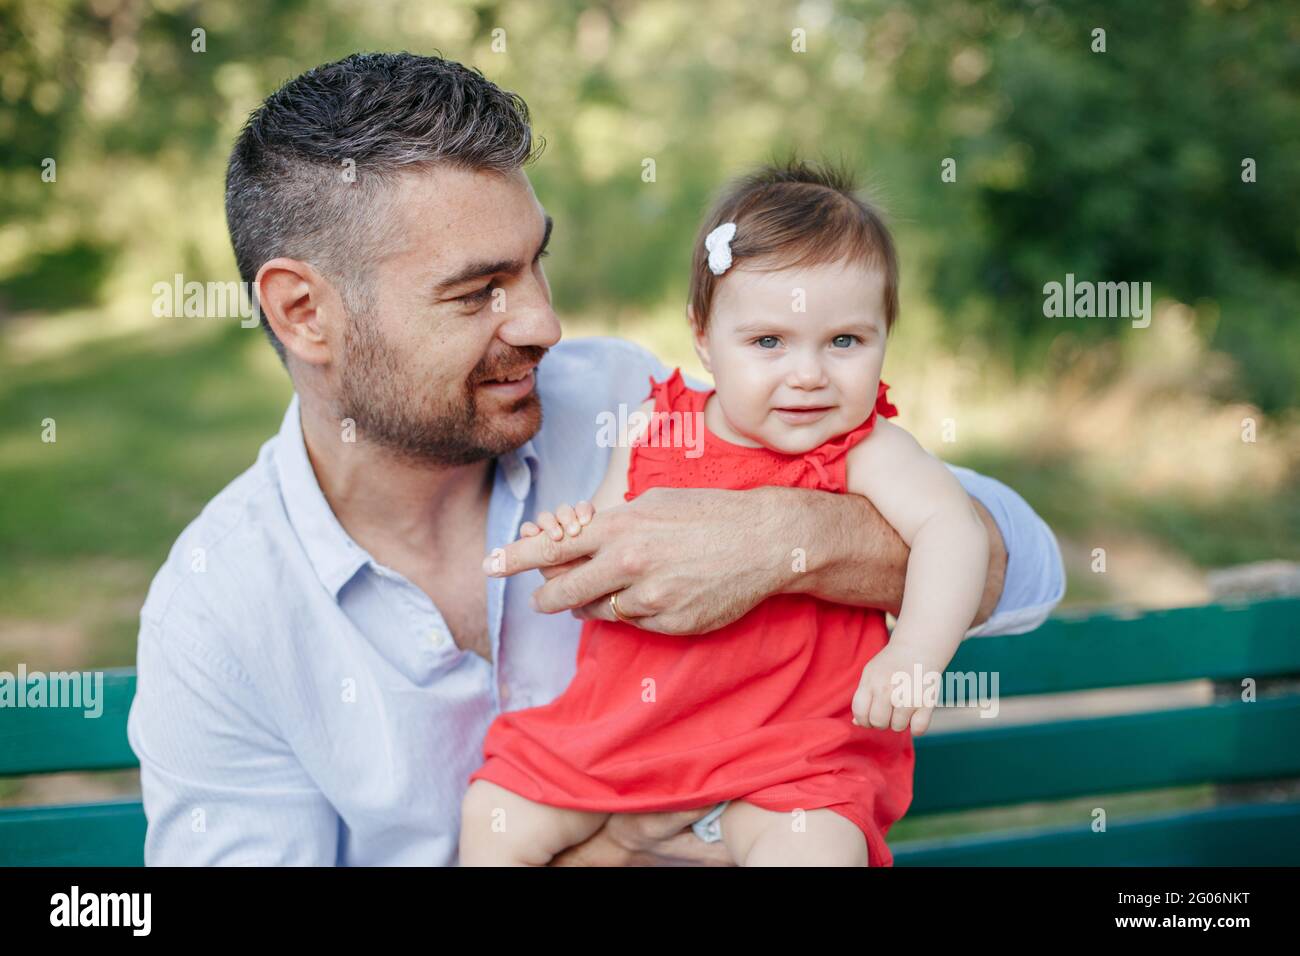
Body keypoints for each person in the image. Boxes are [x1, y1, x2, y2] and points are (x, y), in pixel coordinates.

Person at [127, 53, 1065, 866]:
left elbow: (1023, 564)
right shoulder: (220, 615)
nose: (543, 322)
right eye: (476, 293)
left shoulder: (621, 401)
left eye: (535, 263)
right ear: (304, 313)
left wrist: (790, 538)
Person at [461, 161, 989, 867]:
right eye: (769, 342)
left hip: (792, 757)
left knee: (815, 853)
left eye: (845, 342)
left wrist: (916, 655)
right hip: (625, 740)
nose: (808, 374)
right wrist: (570, 542)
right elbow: (608, 545)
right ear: (705, 337)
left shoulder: (866, 449)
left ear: (885, 335)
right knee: (494, 816)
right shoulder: (657, 424)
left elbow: (951, 529)